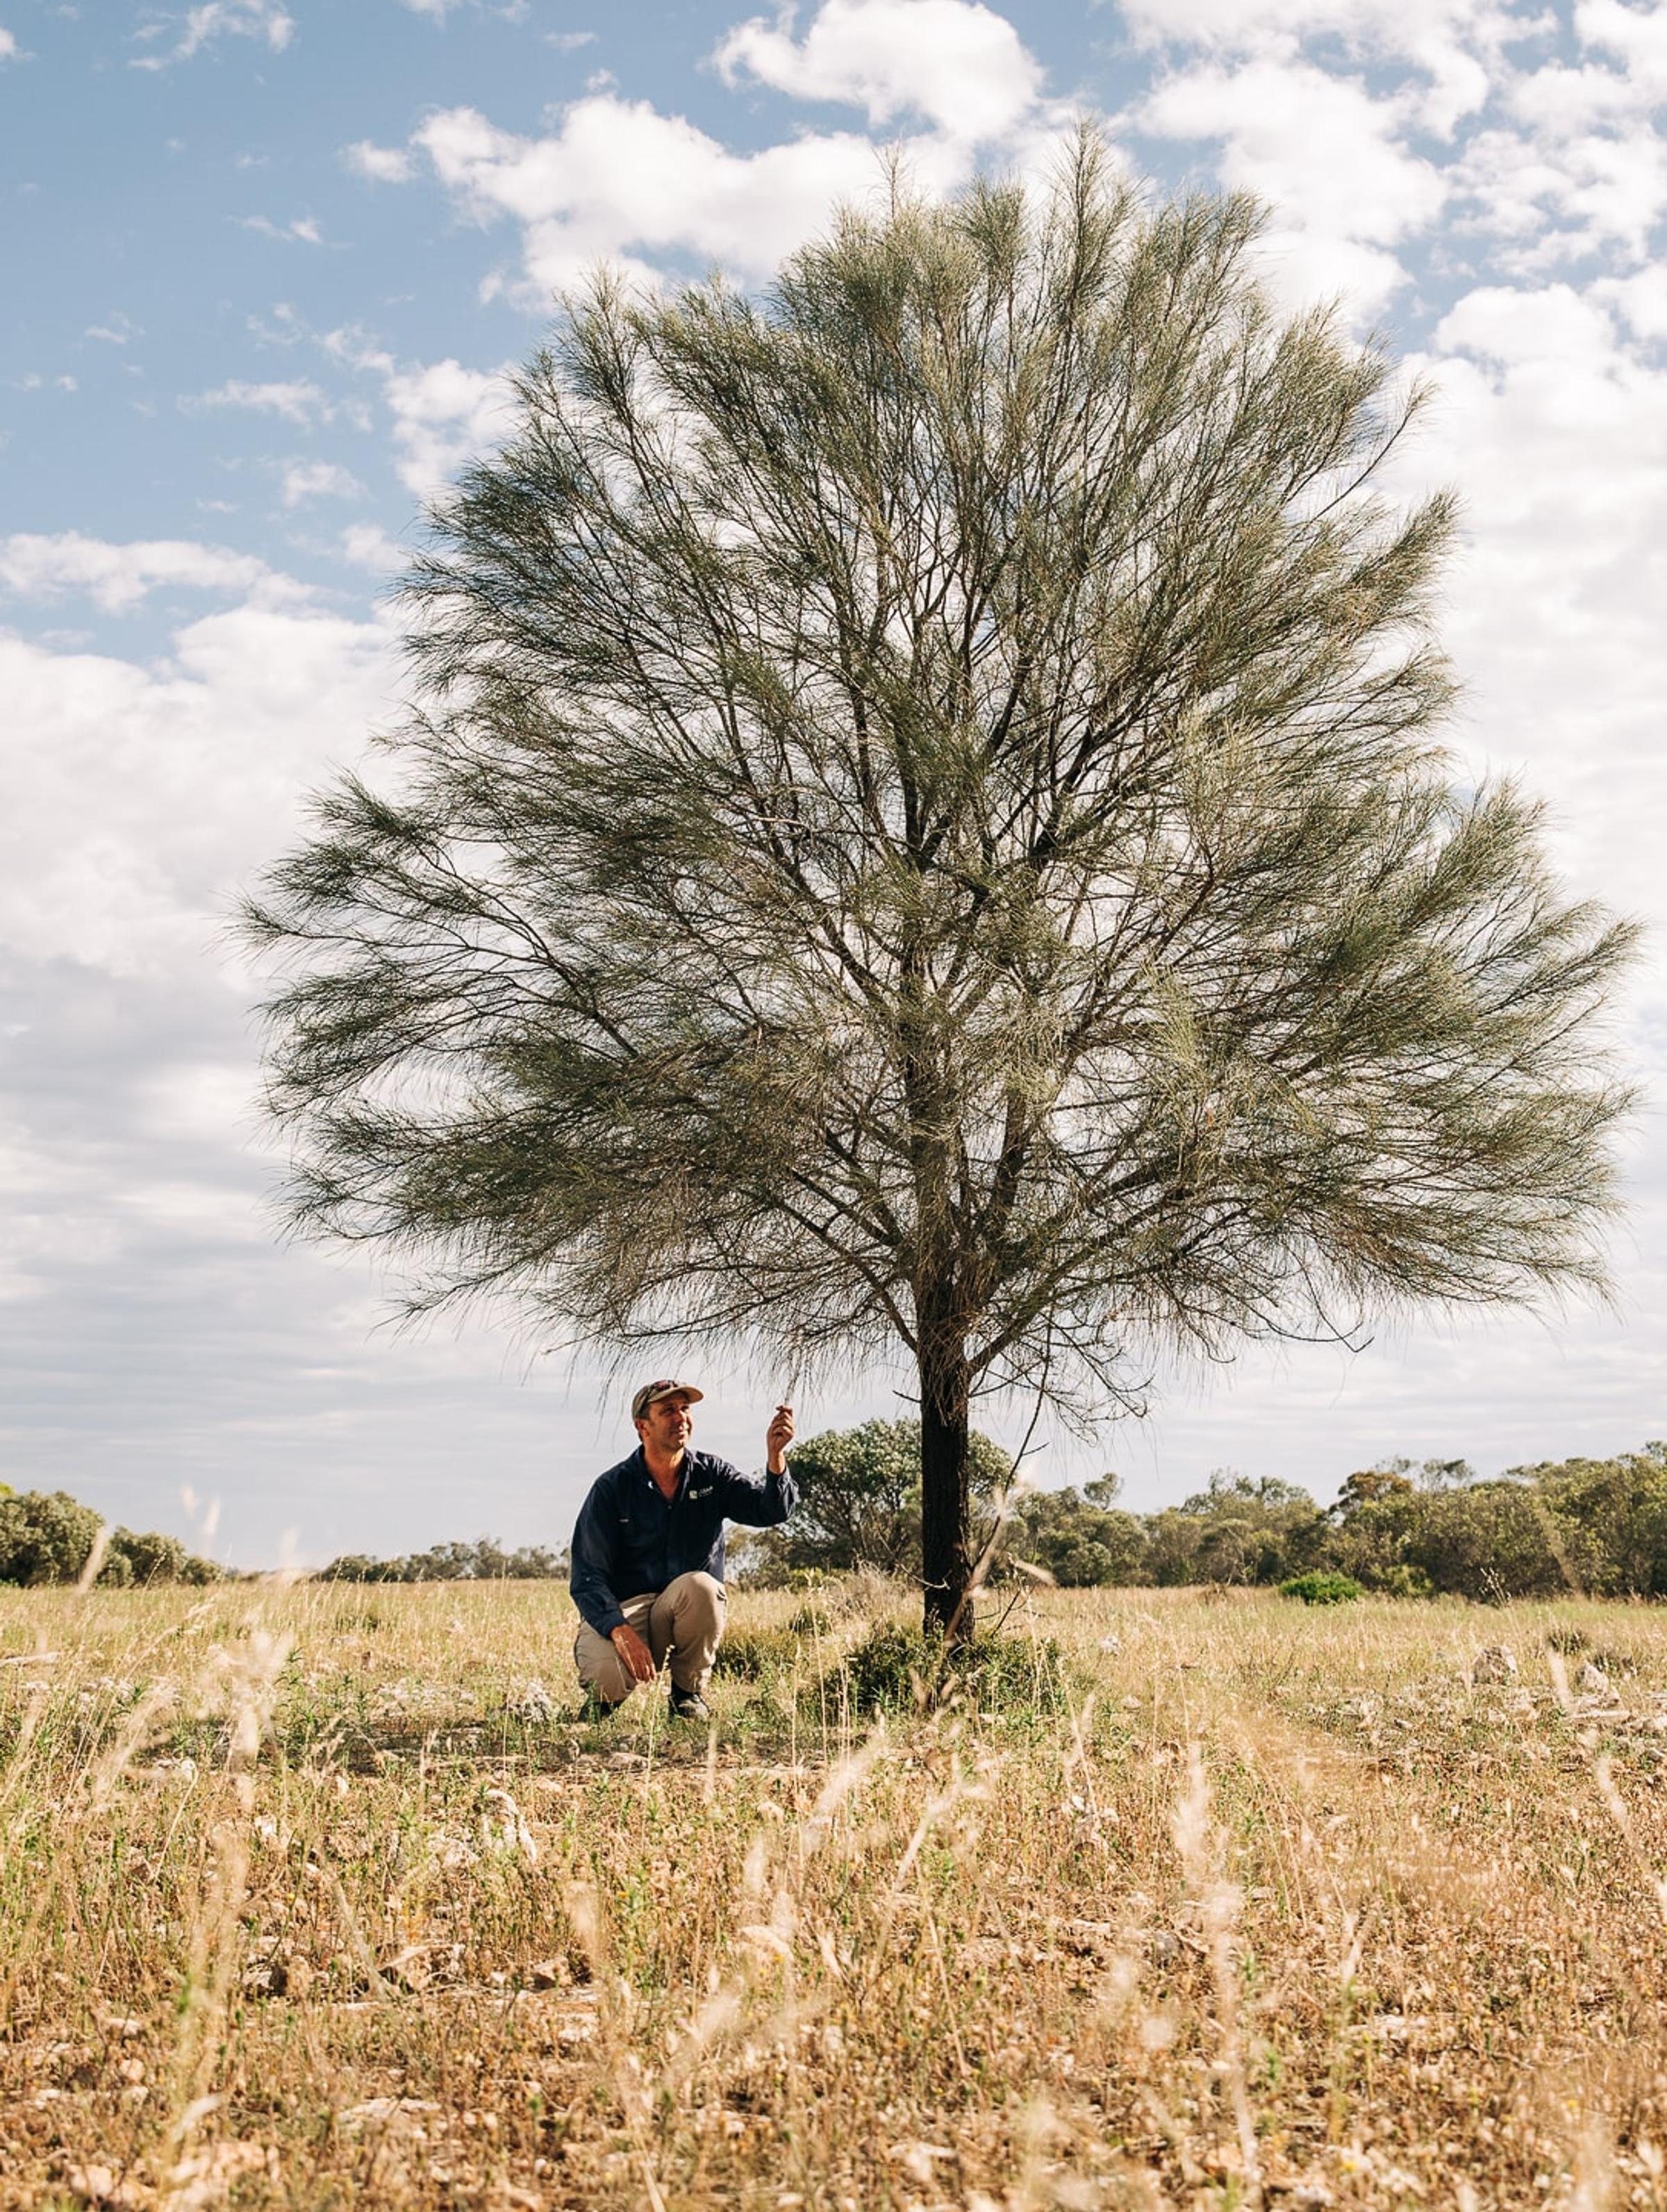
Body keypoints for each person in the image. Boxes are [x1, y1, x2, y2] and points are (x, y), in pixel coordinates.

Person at [569, 1380, 797, 1720]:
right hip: (627, 1612)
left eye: (685, 1409)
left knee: (702, 1587)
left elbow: (770, 1511)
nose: (681, 1418)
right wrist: (620, 1631)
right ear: (642, 1426)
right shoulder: (611, 1488)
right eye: (668, 1411)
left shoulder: (712, 1474)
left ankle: (687, 1696)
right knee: (606, 1677)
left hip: (681, 1608)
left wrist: (775, 1456)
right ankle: (601, 1705)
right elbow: (587, 1576)